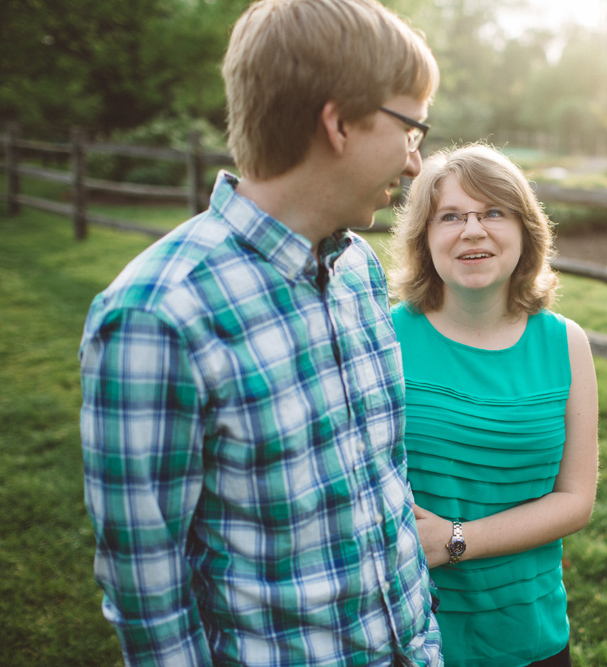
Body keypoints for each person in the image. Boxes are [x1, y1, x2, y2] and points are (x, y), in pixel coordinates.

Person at [78, 1, 442, 664]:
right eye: (411, 128)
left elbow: (383, 485)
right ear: (337, 123)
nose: (415, 162)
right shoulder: (156, 316)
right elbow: (148, 593)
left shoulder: (357, 267)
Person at [387, 143, 600, 667]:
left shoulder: (566, 343)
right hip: (411, 631)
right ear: (424, 237)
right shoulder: (384, 336)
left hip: (530, 630)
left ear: (526, 230)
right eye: (451, 216)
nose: (473, 230)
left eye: (493, 213)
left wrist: (458, 540)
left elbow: (576, 498)